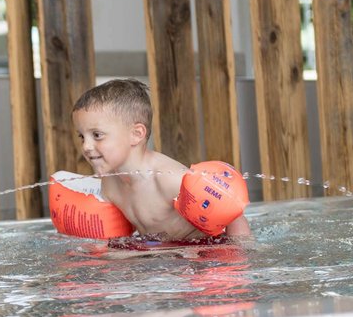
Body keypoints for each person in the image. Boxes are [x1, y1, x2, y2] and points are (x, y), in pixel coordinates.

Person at [72, 78, 251, 241]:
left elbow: (232, 213)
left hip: (200, 255)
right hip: (161, 253)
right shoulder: (110, 183)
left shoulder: (170, 180)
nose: (86, 146)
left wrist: (238, 259)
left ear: (136, 134)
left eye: (97, 135)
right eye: (82, 136)